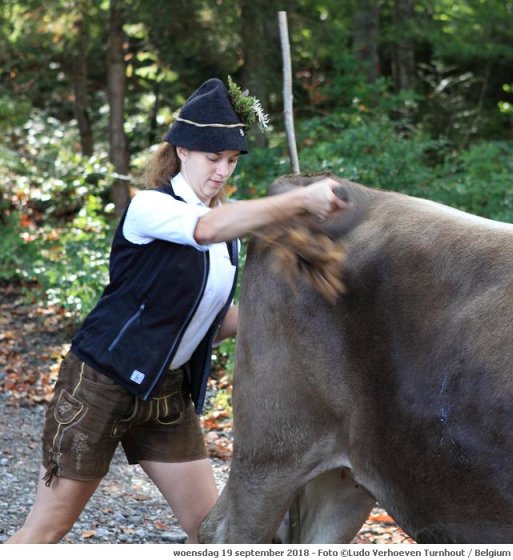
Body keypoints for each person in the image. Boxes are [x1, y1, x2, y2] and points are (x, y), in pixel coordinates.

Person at [7, 78, 349, 544]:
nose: (222, 171)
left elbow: (212, 323)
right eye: (213, 158)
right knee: (50, 528)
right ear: (183, 151)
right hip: (101, 385)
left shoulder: (226, 232)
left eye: (230, 161)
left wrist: (297, 310)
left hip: (167, 398)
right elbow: (205, 228)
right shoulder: (151, 207)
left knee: (213, 535)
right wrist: (298, 200)